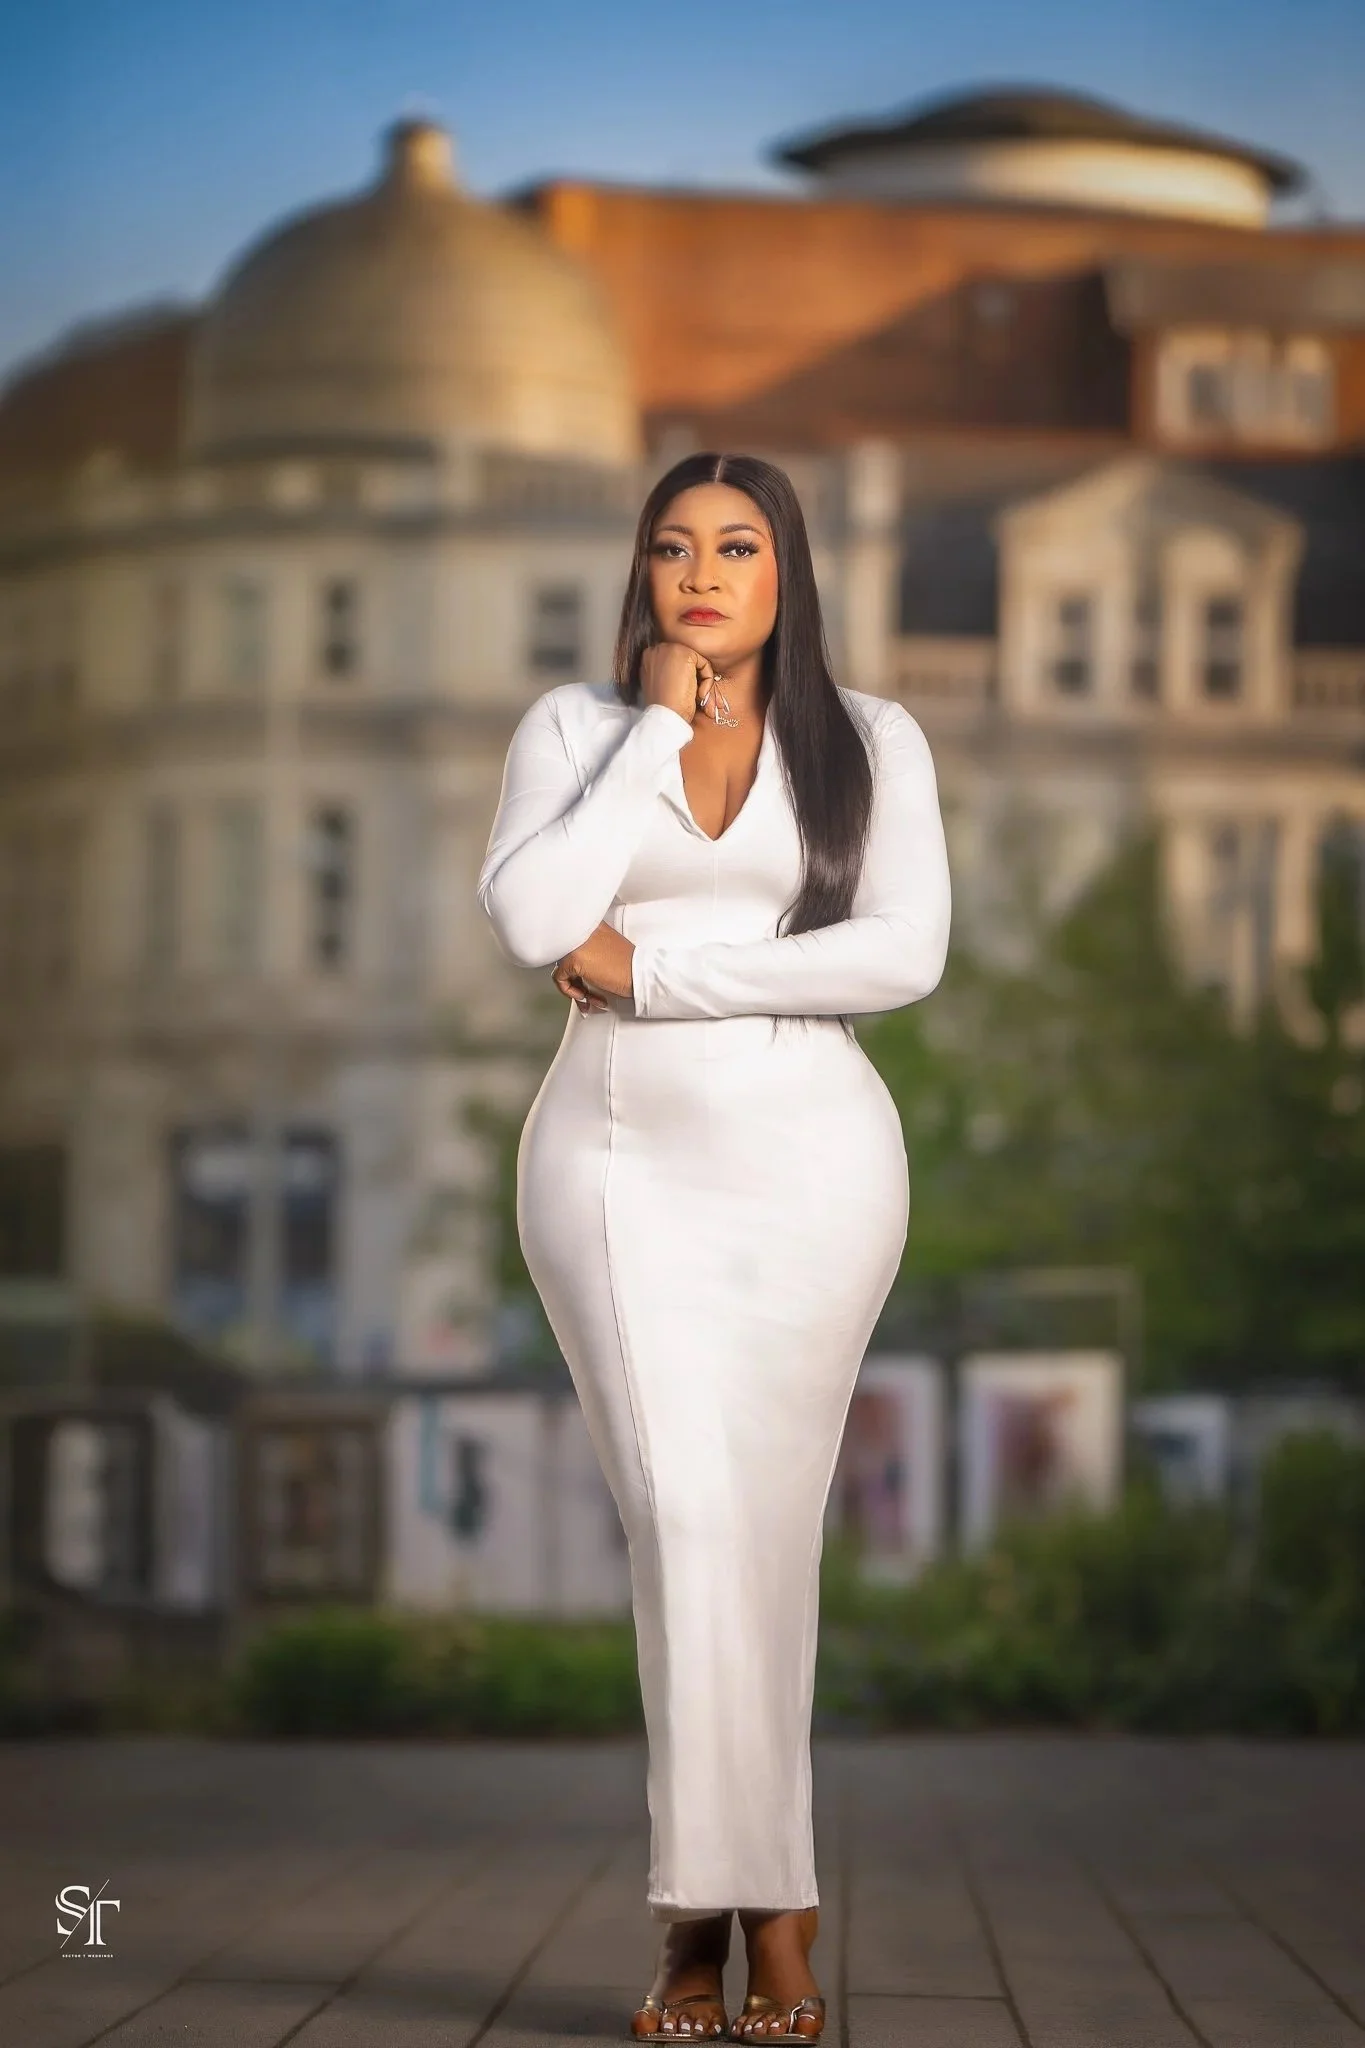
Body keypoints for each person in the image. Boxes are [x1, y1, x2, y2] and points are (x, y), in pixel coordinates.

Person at [475, 451, 951, 2041]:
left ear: (786, 571)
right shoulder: (575, 731)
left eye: (738, 546)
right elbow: (540, 913)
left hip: (815, 1166)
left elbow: (903, 954)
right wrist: (661, 727)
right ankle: (727, 1915)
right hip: (613, 1160)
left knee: (763, 1536)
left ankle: (745, 1915)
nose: (703, 572)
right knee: (681, 1516)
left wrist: (658, 971)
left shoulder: (872, 739)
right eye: (673, 546)